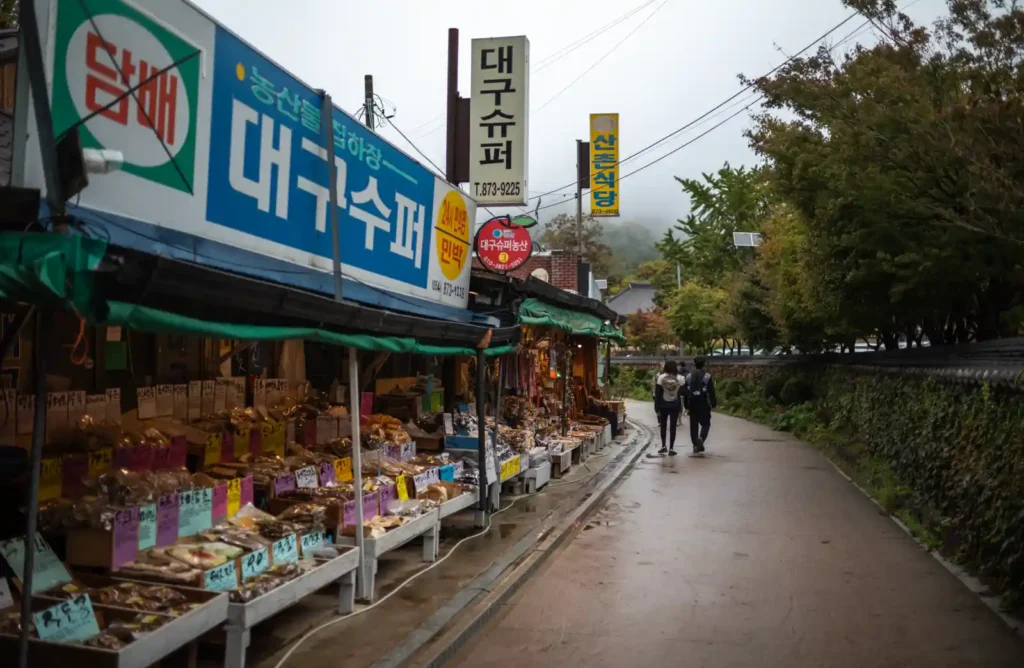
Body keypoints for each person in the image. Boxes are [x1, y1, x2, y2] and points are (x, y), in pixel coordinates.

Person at [683, 357, 717, 454]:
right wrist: (713, 403)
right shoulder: (707, 376)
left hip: (692, 403)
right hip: (703, 404)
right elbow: (711, 391)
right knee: (706, 424)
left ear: (694, 364)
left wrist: (686, 405)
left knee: (694, 425)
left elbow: (686, 391)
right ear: (703, 364)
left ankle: (695, 445)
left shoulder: (689, 376)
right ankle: (701, 438)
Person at [652, 360, 684, 455]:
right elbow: (681, 393)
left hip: (663, 404)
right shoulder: (680, 378)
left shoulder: (661, 377)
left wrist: (656, 407)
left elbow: (658, 394)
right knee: (673, 426)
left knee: (663, 426)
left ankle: (663, 446)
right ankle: (671, 448)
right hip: (675, 404)